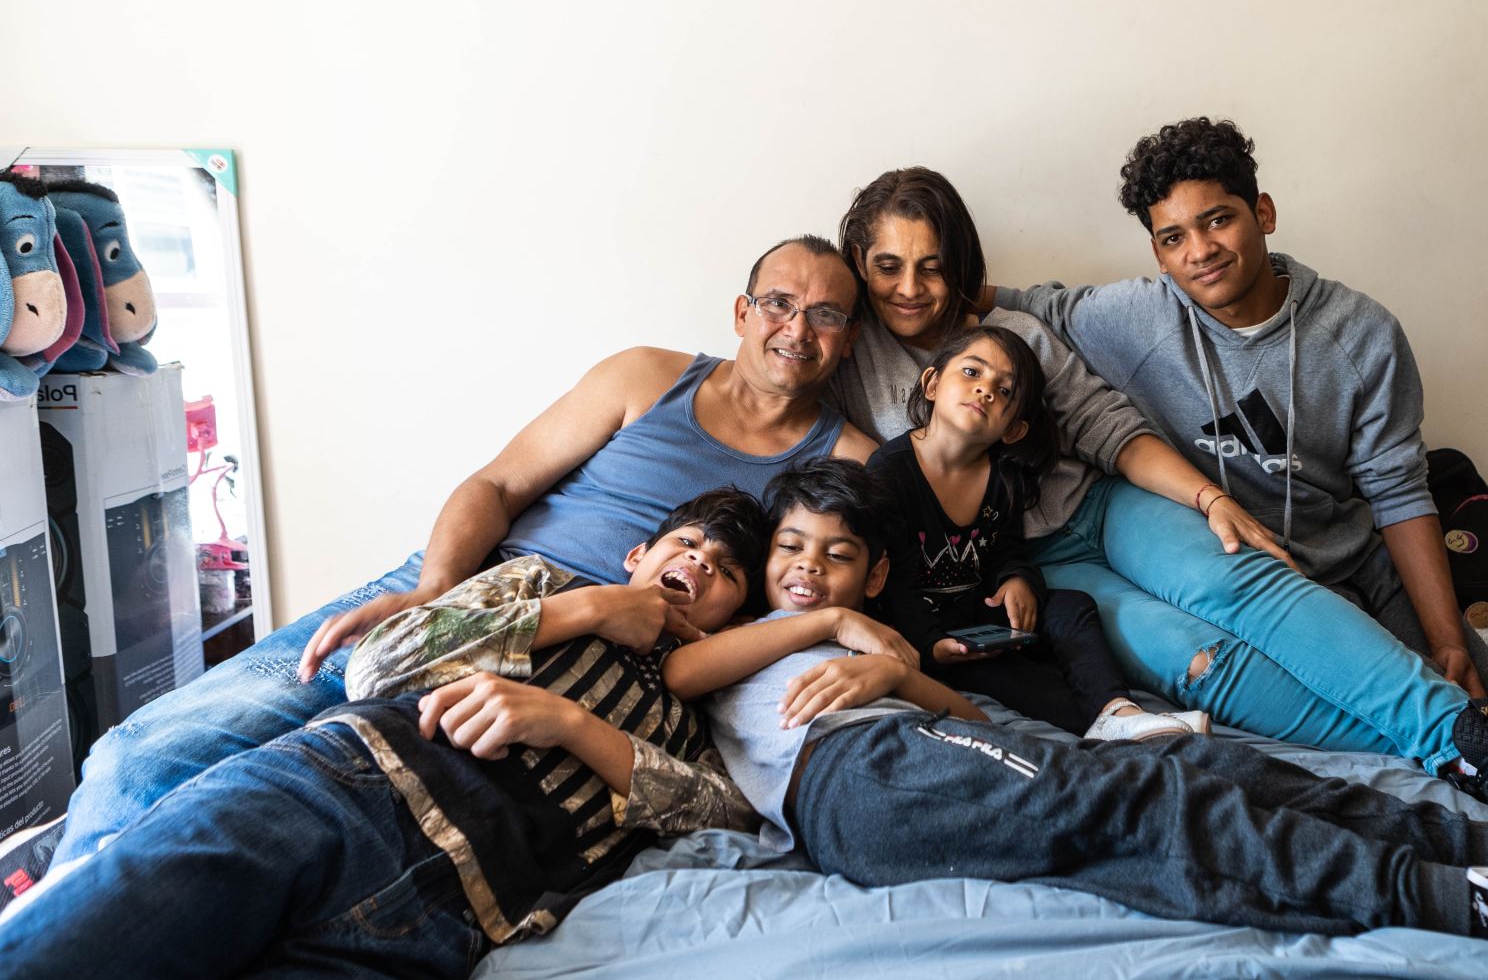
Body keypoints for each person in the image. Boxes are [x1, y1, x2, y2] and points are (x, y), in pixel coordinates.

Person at [30, 234, 878, 881]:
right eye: (778, 303)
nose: (796, 329)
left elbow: (875, 576)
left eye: (827, 315)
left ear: (849, 339)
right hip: (464, 589)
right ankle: (62, 905)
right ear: (741, 312)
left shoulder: (852, 462)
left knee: (259, 806)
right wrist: (433, 589)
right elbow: (498, 483)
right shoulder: (648, 375)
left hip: (594, 659)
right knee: (146, 756)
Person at [664, 459, 1488, 980]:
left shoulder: (860, 637)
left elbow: (941, 698)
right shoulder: (735, 642)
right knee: (1150, 796)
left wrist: (888, 669)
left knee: (1230, 772)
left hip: (927, 739)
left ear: (878, 567)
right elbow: (680, 663)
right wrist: (842, 623)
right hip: (863, 782)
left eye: (836, 557)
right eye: (789, 550)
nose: (805, 567)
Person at [830, 167, 1488, 817]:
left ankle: (1484, 745)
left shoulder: (1012, 328)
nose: (910, 289)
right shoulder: (848, 357)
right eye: (889, 267)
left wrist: (1208, 500)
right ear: (860, 266)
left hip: (1107, 507)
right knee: (1198, 661)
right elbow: (767, 397)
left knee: (1244, 585)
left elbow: (1107, 427)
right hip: (1036, 567)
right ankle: (1466, 757)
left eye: (932, 266)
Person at [0, 490, 823, 978]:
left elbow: (723, 817)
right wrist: (586, 610)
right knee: (93, 939)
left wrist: (568, 724)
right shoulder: (544, 584)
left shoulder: (698, 716)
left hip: (452, 912)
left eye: (725, 572)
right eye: (686, 544)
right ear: (639, 554)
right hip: (330, 788)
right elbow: (376, 666)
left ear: (737, 618)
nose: (700, 565)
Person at [989, 118, 1488, 732]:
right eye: (1173, 237)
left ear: (1264, 212)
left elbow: (1398, 491)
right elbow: (1007, 301)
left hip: (1351, 555)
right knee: (1379, 719)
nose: (1199, 252)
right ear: (1157, 252)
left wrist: (1446, 637)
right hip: (1248, 575)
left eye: (1217, 220)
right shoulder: (1133, 316)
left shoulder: (1362, 333)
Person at [866, 324, 1195, 739]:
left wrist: (1017, 579)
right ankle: (1106, 729)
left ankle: (1118, 710)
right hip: (926, 632)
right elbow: (893, 586)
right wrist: (932, 645)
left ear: (1014, 428)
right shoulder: (890, 471)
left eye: (1004, 391)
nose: (985, 390)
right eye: (972, 373)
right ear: (931, 383)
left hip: (982, 616)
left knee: (1073, 607)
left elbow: (1006, 549)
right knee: (1025, 683)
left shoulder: (1004, 476)